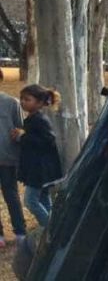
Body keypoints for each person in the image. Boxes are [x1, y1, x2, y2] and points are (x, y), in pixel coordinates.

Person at [10, 84, 63, 227]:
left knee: (31, 201)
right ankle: (54, 225)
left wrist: (23, 136)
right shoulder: (31, 118)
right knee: (44, 199)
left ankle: (50, 229)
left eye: (27, 99)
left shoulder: (40, 119)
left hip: (40, 169)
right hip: (38, 168)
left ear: (39, 103)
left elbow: (48, 141)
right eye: (22, 99)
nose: (22, 102)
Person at [0, 69, 27, 247]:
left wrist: (20, 134)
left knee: (11, 195)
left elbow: (21, 128)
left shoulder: (11, 103)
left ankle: (20, 232)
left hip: (7, 158)